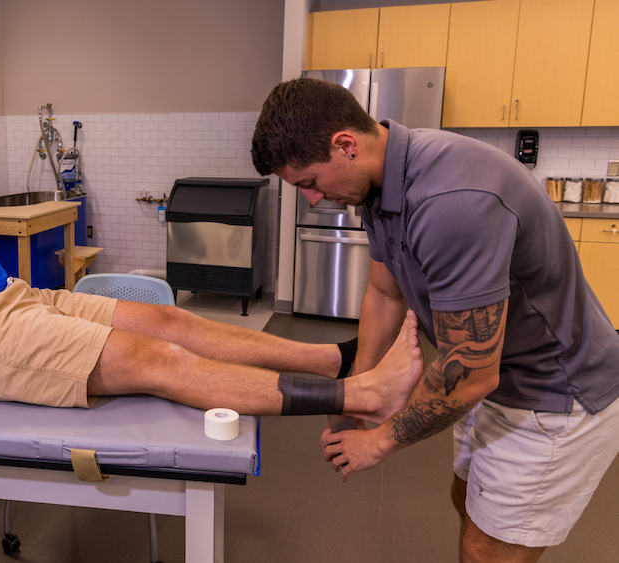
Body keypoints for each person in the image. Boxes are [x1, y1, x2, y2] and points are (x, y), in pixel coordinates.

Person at [0, 25, 424, 463]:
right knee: (156, 361)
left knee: (167, 317)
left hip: (5, 298)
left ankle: (333, 359)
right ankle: (360, 392)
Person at [250, 77, 619, 563]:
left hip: (551, 394)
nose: (313, 199)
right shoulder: (377, 186)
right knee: (465, 500)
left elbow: (469, 374)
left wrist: (379, 441)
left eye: (311, 183)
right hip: (493, 380)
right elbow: (385, 293)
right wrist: (356, 392)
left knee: (487, 551)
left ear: (345, 146)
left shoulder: (452, 202)